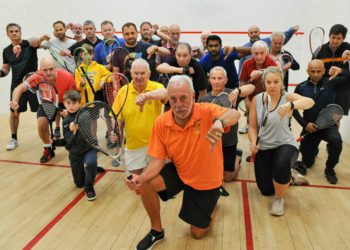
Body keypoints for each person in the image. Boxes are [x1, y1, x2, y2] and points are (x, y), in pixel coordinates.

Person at [126, 75, 240, 250]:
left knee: (197, 233)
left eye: (183, 98)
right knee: (147, 181)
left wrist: (219, 122)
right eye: (173, 99)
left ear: (193, 96)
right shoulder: (161, 122)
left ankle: (213, 201)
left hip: (206, 181)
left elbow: (234, 113)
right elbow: (157, 161)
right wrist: (140, 179)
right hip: (181, 171)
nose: (178, 104)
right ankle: (157, 231)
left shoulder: (207, 110)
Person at [248, 66, 314, 216]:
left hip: (286, 144)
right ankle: (290, 176)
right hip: (264, 147)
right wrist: (253, 142)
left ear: (281, 82)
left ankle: (279, 199)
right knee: (266, 190)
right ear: (264, 83)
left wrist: (291, 105)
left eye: (276, 82)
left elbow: (309, 102)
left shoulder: (287, 97)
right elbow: (252, 127)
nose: (272, 85)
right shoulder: (257, 100)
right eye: (269, 82)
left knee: (280, 164)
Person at [293, 60, 350, 184]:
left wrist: (341, 71)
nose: (315, 74)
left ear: (324, 71)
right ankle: (313, 152)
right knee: (307, 163)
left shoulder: (332, 83)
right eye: (312, 71)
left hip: (328, 125)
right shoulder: (300, 87)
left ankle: (330, 169)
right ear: (307, 71)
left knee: (336, 141)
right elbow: (293, 110)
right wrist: (305, 124)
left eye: (318, 71)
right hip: (309, 128)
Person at [10, 57, 77, 163]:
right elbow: (18, 88)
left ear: (56, 67)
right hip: (47, 102)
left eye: (51, 69)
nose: (48, 72)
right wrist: (14, 100)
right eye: (45, 70)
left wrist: (69, 110)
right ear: (40, 69)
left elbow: (75, 97)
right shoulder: (37, 76)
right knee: (41, 124)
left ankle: (77, 146)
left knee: (72, 128)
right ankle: (48, 148)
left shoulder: (67, 77)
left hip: (65, 102)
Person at [200, 66, 255, 181]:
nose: (216, 81)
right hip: (211, 142)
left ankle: (237, 157)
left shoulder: (232, 94)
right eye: (213, 78)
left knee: (227, 178)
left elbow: (252, 87)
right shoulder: (204, 98)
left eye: (220, 78)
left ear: (226, 80)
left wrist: (237, 90)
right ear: (209, 80)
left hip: (228, 142)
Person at [110, 58, 167, 170]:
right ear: (131, 73)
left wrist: (146, 96)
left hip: (156, 146)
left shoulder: (156, 87)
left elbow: (165, 93)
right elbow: (117, 117)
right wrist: (115, 130)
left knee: (153, 183)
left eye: (143, 73)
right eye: (136, 73)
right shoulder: (123, 92)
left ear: (149, 74)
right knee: (136, 184)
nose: (139, 77)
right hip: (133, 147)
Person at [1, 23, 49, 151]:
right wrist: (1, 73)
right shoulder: (6, 51)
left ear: (21, 32)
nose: (15, 33)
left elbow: (36, 40)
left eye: (17, 31)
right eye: (12, 31)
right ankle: (14, 138)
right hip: (16, 85)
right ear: (8, 34)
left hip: (34, 84)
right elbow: (5, 68)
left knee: (41, 112)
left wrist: (38, 41)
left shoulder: (29, 44)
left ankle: (48, 139)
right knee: (14, 113)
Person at [55, 90, 99, 201]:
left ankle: (89, 187)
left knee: (91, 162)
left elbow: (82, 119)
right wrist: (55, 142)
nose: (71, 106)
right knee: (79, 184)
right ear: (64, 104)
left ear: (79, 103)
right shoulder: (65, 121)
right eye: (68, 103)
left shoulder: (85, 115)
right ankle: (92, 170)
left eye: (74, 103)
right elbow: (68, 141)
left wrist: (75, 125)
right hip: (74, 153)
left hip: (88, 149)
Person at [239, 40, 278, 135]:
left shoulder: (273, 63)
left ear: (267, 53)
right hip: (252, 97)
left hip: (269, 98)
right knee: (253, 125)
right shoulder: (246, 64)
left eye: (261, 53)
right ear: (252, 53)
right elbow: (243, 83)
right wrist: (246, 101)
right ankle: (249, 124)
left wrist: (261, 72)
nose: (258, 56)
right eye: (256, 53)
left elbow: (275, 78)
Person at [315, 24, 350, 115]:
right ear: (329, 36)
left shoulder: (348, 49)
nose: (335, 41)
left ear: (344, 38)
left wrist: (341, 71)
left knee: (335, 119)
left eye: (338, 38)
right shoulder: (320, 50)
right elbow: (313, 71)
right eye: (333, 37)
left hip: (343, 89)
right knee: (324, 118)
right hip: (325, 88)